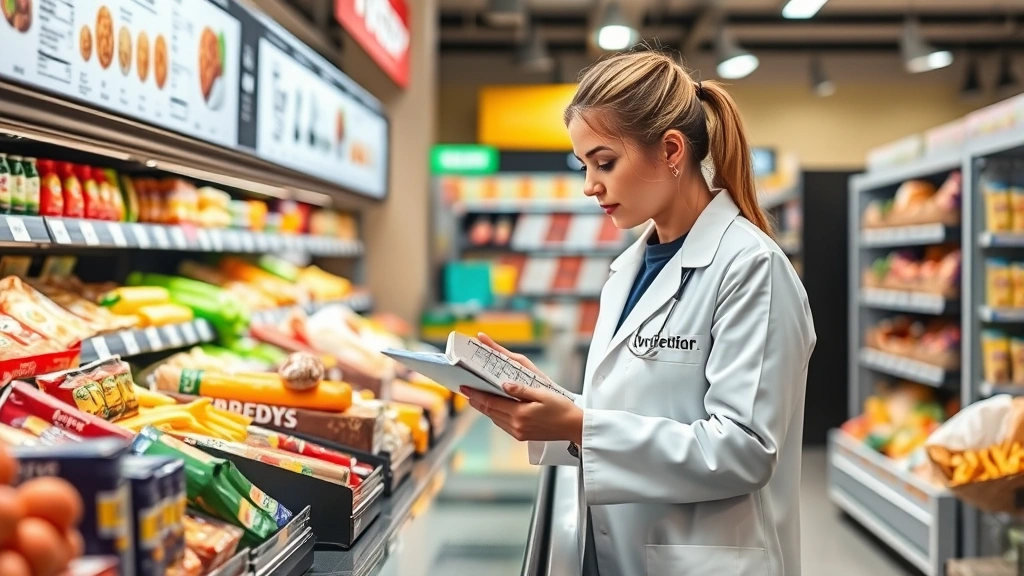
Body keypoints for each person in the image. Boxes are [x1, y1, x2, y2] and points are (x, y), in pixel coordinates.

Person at [460, 50, 816, 576]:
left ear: (671, 150)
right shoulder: (628, 269)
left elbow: (744, 449)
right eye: (585, 166)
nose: (590, 185)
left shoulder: (751, 268)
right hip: (622, 551)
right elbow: (644, 414)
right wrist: (554, 403)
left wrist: (582, 425)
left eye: (605, 162)